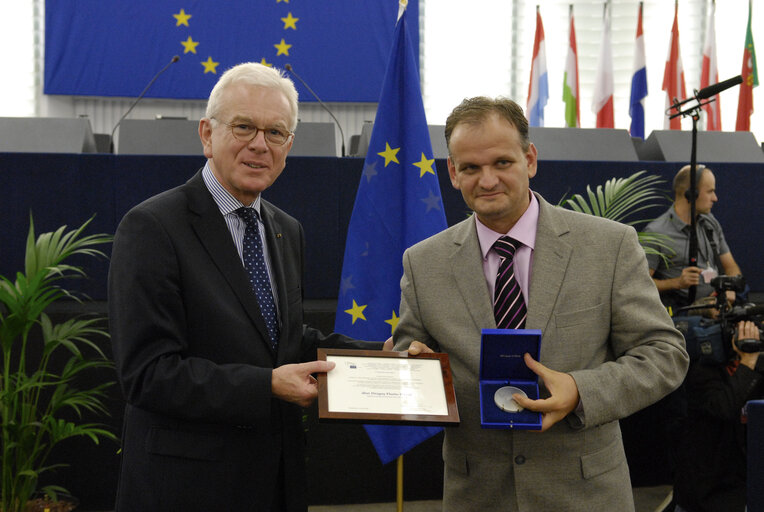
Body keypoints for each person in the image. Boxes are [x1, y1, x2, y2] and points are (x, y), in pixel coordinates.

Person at [392, 96, 689, 511]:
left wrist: (581, 390)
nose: (488, 179)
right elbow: (412, 356)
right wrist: (412, 366)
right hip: (478, 495)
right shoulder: (423, 263)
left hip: (586, 494)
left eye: (502, 162)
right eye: (471, 168)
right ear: (453, 173)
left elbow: (665, 355)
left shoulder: (608, 246)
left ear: (529, 159)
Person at [108, 62, 381, 512]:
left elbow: (284, 342)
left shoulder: (285, 229)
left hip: (275, 481)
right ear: (206, 134)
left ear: (289, 146)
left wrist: (380, 357)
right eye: (244, 127)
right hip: (186, 489)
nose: (260, 144)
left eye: (275, 132)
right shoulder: (152, 227)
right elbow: (148, 374)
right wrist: (266, 386)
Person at [673, 321, 763, 512]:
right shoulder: (702, 371)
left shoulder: (756, 370)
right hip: (707, 486)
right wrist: (748, 360)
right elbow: (724, 407)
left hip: (739, 480)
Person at [645, 164, 743, 311]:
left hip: (720, 304)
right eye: (710, 192)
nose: (715, 198)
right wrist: (676, 283)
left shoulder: (710, 223)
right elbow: (640, 284)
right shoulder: (656, 233)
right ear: (691, 194)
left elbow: (730, 266)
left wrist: (730, 288)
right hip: (687, 313)